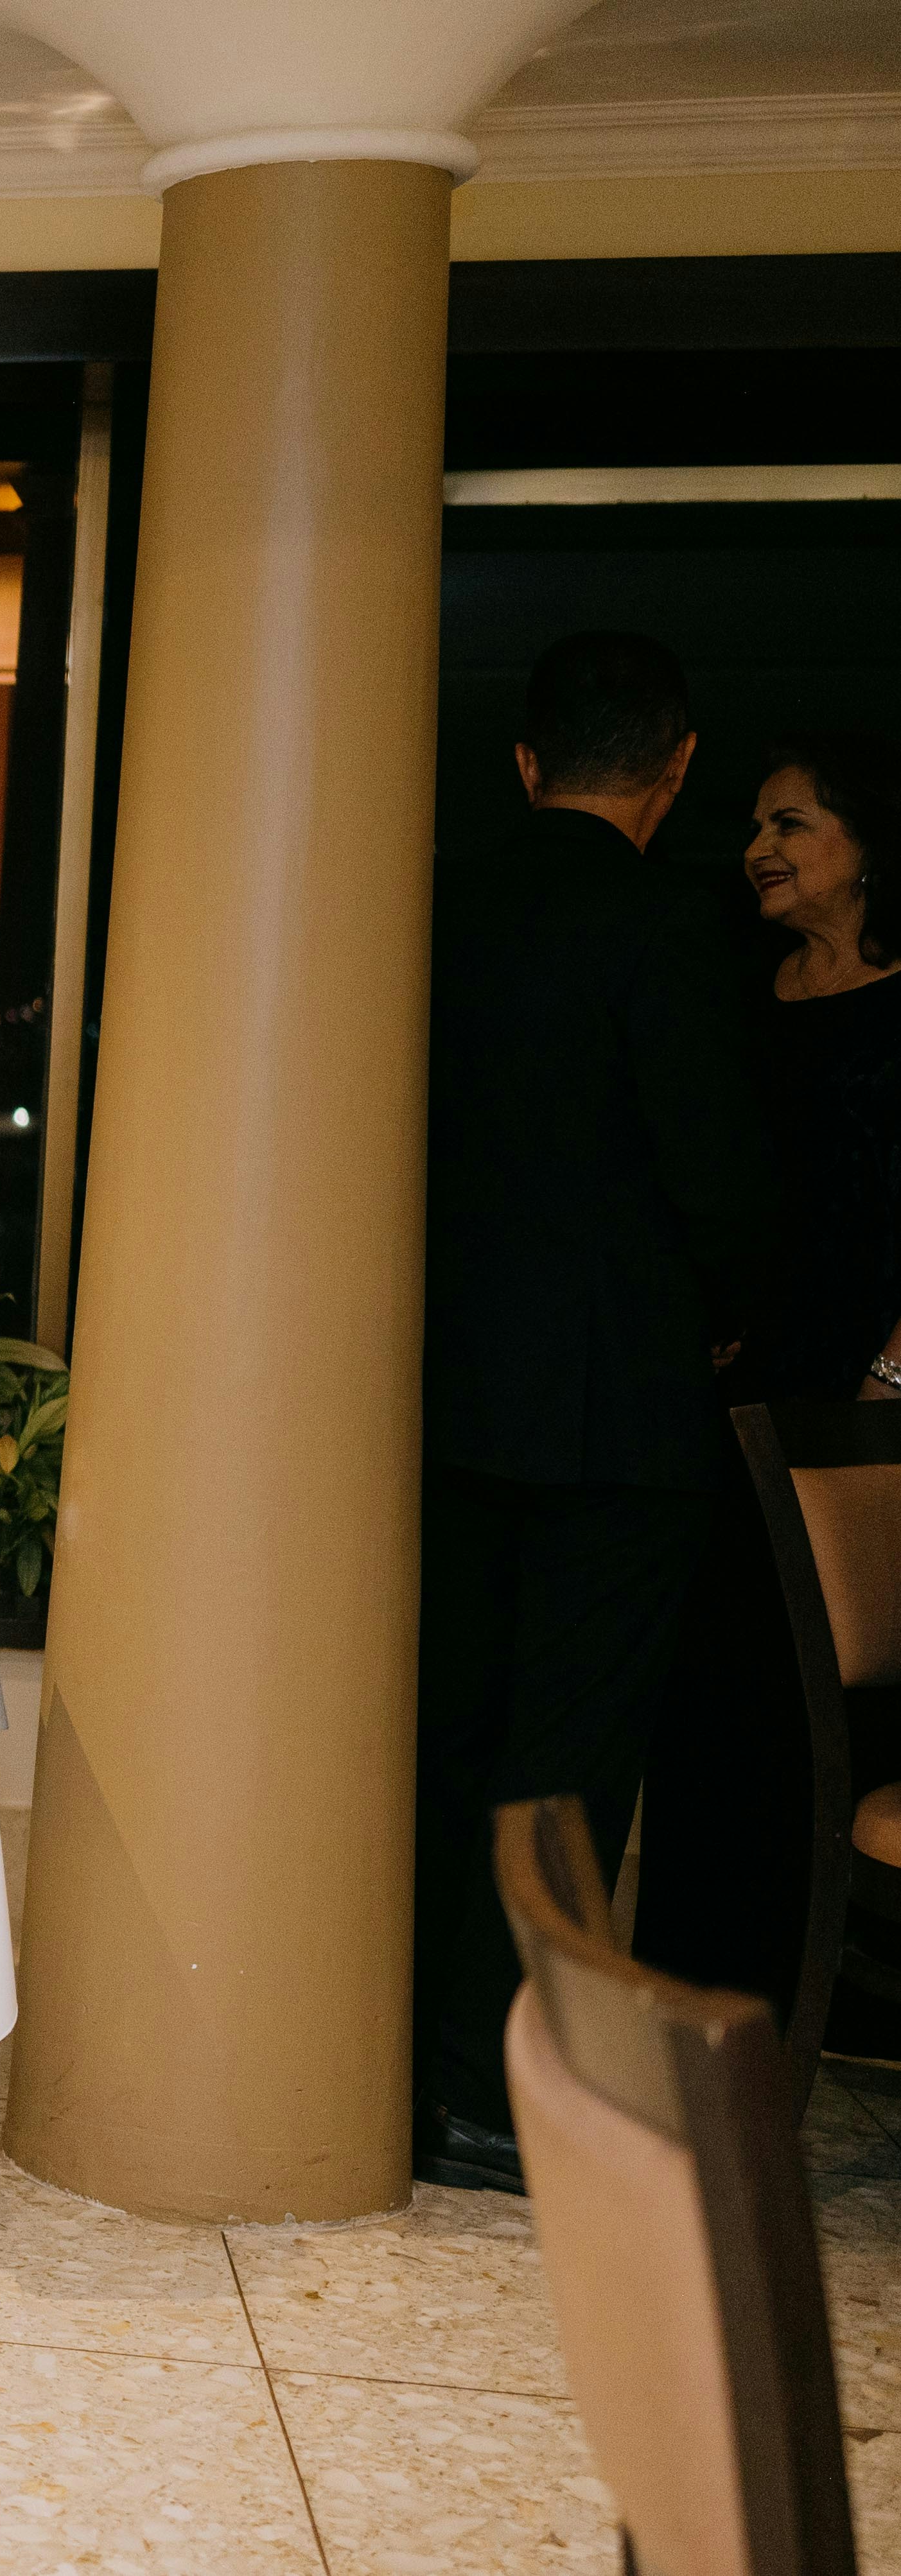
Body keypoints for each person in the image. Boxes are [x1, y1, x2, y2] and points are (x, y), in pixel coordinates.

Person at [414, 630, 771, 2191]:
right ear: (676, 769)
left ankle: (420, 2069)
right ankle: (511, 2093)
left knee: (446, 1741)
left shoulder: (437, 905)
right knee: (563, 1774)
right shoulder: (667, 926)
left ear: (522, 762)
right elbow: (713, 1179)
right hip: (617, 1413)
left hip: (442, 1396)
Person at [636, 729, 901, 2025]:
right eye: (752, 823)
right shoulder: (742, 990)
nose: (758, 848)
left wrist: (886, 1381)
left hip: (860, 1409)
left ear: (866, 845)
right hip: (726, 1395)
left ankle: (810, 2002)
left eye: (790, 823)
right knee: (708, 1690)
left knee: (820, 1697)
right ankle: (694, 1991)